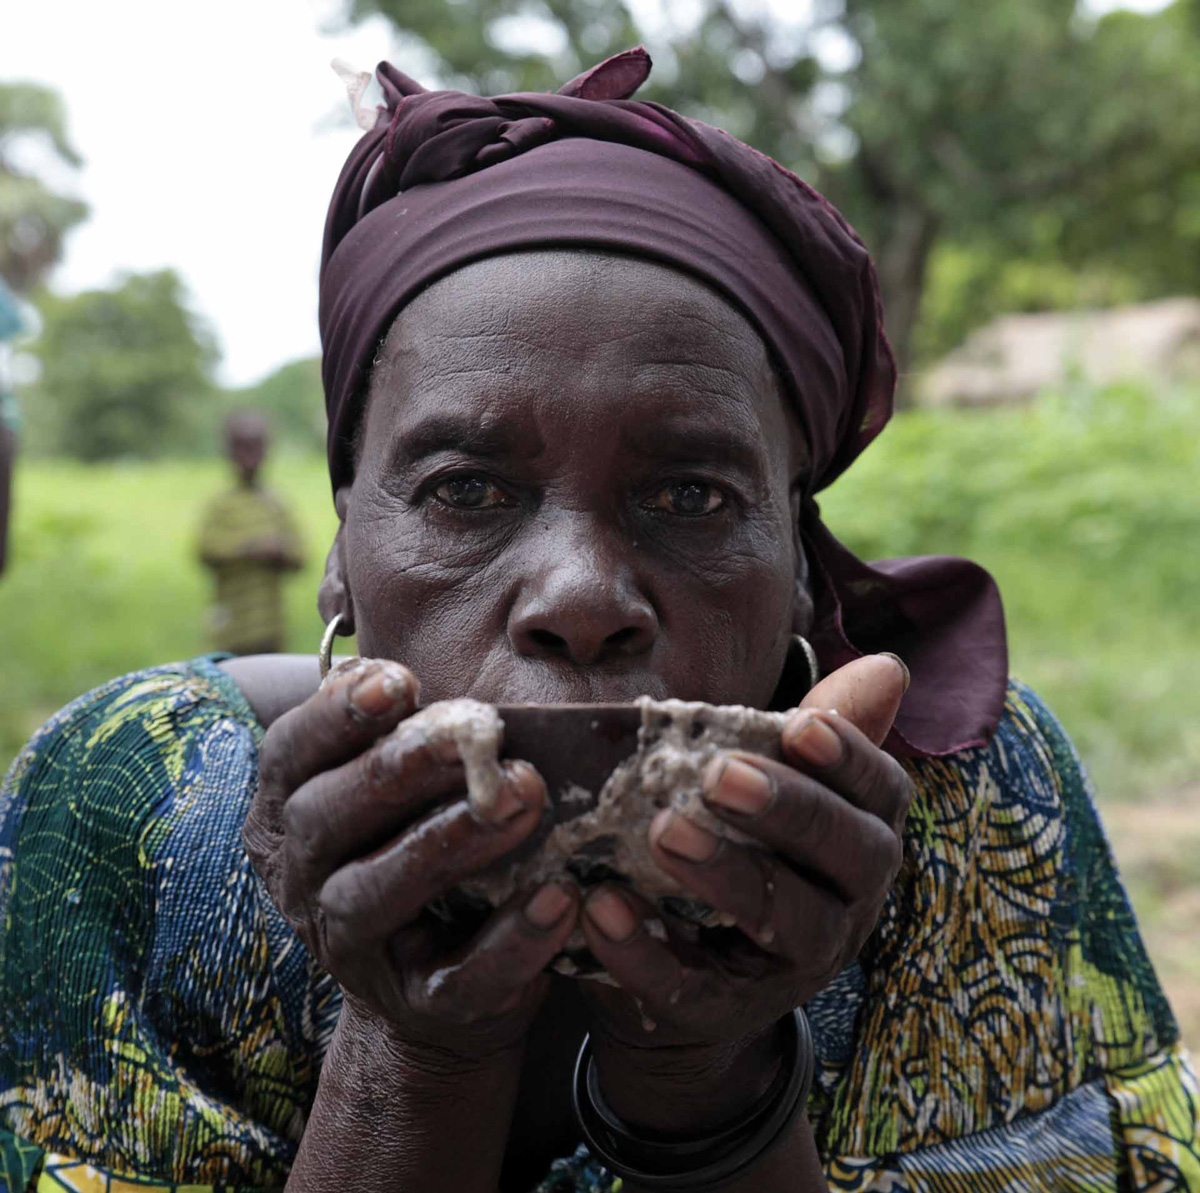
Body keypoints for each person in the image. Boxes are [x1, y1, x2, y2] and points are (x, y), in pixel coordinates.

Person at [0, 48, 1196, 1193]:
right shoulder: (131, 807)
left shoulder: (959, 803)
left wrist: (713, 1077)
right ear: (341, 549)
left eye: (690, 494)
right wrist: (415, 1052)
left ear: (794, 560)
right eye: (465, 490)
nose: (579, 598)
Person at [195, 411, 305, 654]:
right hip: (231, 627)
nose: (250, 458)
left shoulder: (277, 503)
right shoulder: (221, 504)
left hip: (271, 626)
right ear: (229, 452)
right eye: (243, 448)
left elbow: (300, 557)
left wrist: (279, 552)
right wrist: (251, 549)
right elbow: (205, 550)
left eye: (256, 448)